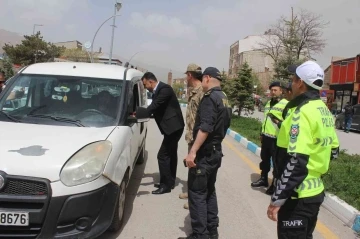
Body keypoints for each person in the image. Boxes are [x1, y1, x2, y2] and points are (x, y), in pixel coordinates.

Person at [267, 61, 340, 239]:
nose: (290, 83)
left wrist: (278, 198)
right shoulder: (323, 110)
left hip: (296, 196)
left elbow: (296, 160)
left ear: (300, 82)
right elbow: (334, 150)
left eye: (293, 79)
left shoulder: (301, 112)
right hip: (315, 193)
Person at [179, 67, 231, 239]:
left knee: (197, 194)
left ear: (207, 78)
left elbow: (205, 127)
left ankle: (200, 235)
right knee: (209, 191)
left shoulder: (210, 98)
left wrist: (192, 152)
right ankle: (212, 231)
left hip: (205, 154)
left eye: (203, 79)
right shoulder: (224, 98)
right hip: (216, 152)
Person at [142, 72, 185, 195]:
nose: (146, 87)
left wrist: (139, 114)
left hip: (174, 128)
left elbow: (155, 106)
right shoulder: (159, 90)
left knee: (162, 156)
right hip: (172, 128)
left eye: (145, 85)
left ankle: (165, 185)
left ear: (151, 81)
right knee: (171, 154)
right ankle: (170, 181)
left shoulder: (165, 89)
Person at [251, 81, 287, 195]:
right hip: (266, 137)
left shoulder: (286, 104)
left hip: (277, 139)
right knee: (264, 159)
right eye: (271, 90)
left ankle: (274, 185)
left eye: (275, 90)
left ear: (281, 91)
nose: (273, 92)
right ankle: (263, 179)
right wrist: (262, 133)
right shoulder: (268, 103)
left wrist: (278, 121)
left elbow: (288, 123)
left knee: (276, 163)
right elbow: (265, 120)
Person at [179, 63, 204, 210]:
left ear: (189, 75)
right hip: (191, 136)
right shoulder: (194, 91)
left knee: (197, 169)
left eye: (186, 75)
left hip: (197, 138)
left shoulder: (201, 92)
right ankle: (190, 192)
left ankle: (195, 199)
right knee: (191, 167)